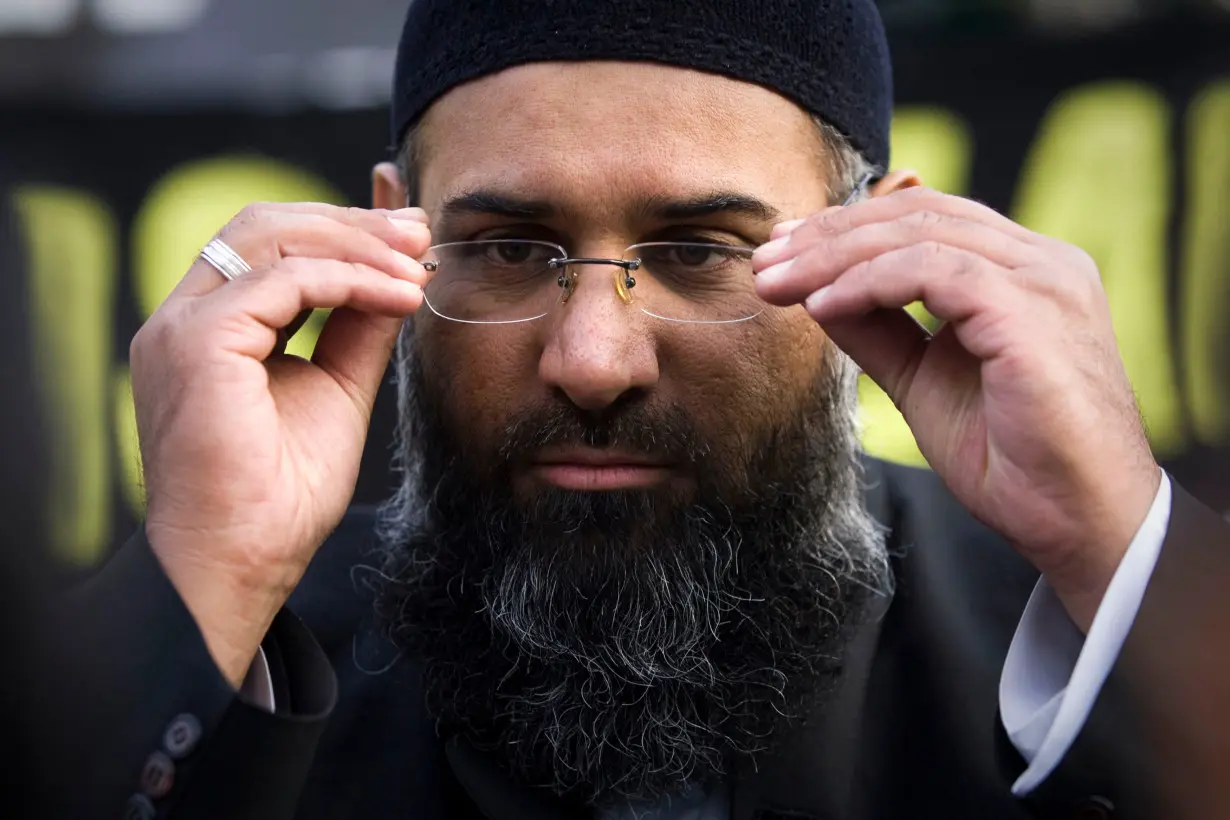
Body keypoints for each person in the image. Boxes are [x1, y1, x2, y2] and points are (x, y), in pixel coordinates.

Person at [46, 1, 1230, 818]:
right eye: (511, 247)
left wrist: (1118, 544)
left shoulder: (1073, 629)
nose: (594, 358)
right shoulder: (238, 649)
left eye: (699, 250)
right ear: (393, 234)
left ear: (883, 240)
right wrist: (199, 579)